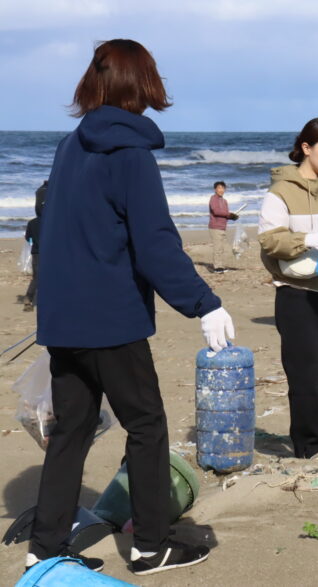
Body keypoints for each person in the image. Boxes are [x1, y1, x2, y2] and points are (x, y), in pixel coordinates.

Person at [31, 39, 233, 576]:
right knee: (146, 425)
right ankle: (150, 545)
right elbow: (155, 244)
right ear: (142, 86)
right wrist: (204, 304)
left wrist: (46, 312)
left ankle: (45, 547)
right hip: (110, 319)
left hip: (63, 320)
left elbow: (54, 234)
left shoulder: (69, 147)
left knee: (70, 432)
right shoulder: (132, 155)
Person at [258, 117, 318, 461]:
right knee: (304, 377)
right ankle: (311, 445)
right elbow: (271, 242)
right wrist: (310, 239)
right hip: (296, 294)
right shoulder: (280, 192)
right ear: (306, 148)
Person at [22, 181, 47, 311]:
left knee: (37, 277)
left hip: (36, 252)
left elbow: (28, 238)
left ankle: (28, 298)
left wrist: (34, 241)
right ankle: (32, 298)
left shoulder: (32, 223)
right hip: (49, 252)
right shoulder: (51, 222)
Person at [208, 180, 239, 273]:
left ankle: (220, 266)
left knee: (221, 248)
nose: (221, 190)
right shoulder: (213, 198)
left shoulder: (224, 201)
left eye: (223, 188)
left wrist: (232, 217)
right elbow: (216, 211)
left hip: (222, 227)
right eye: (219, 188)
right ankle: (217, 267)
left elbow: (225, 215)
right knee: (217, 248)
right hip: (215, 227)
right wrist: (229, 215)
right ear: (215, 189)